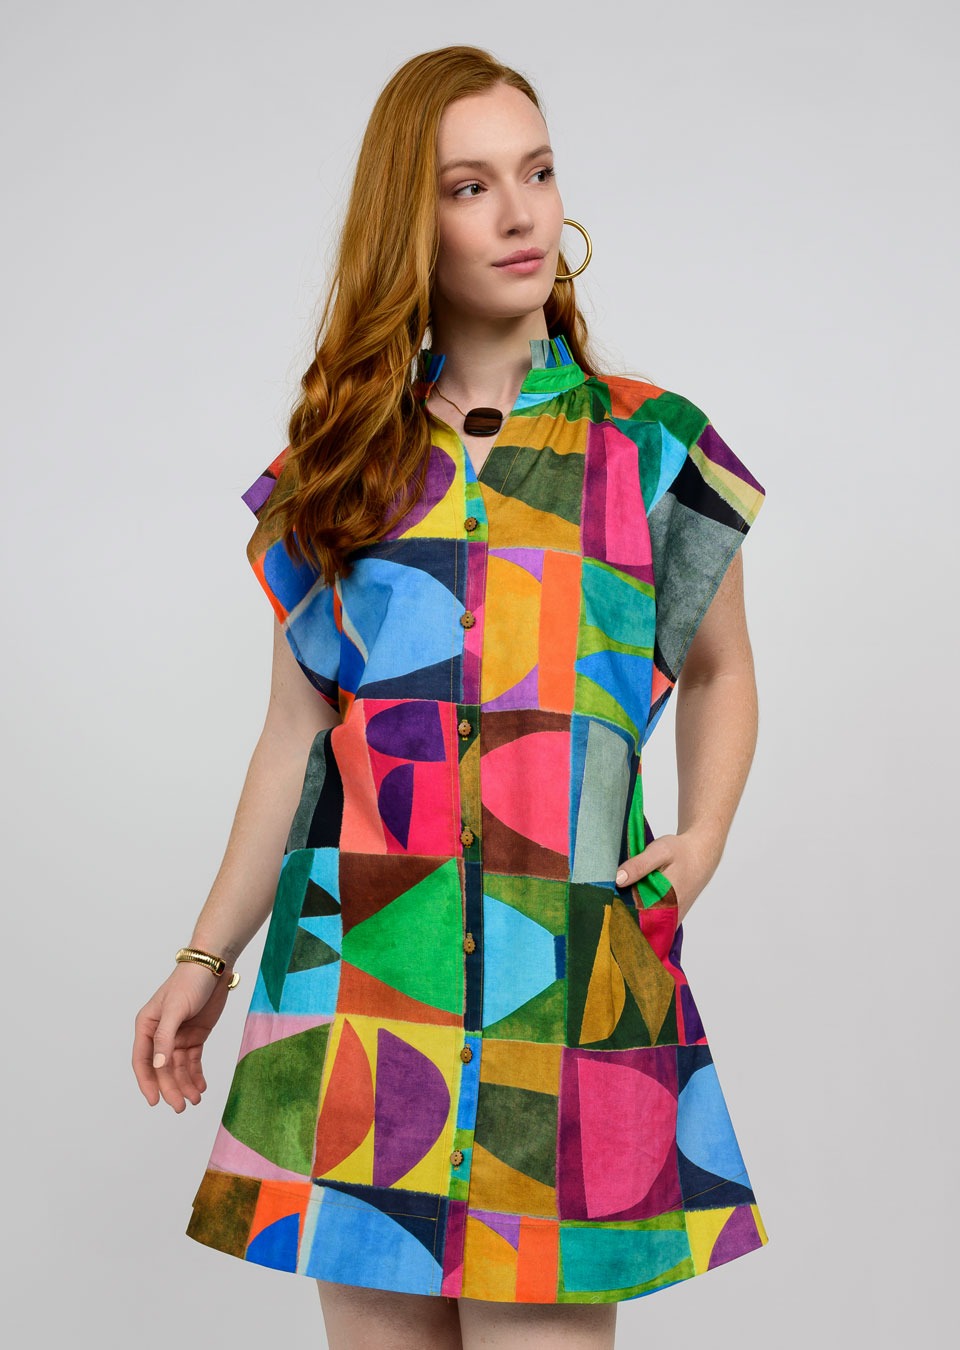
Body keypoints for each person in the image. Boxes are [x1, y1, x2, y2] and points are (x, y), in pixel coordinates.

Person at [133, 44, 769, 1350]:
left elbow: (719, 667)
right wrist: (206, 955)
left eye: (537, 172)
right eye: (471, 186)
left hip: (565, 990)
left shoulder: (650, 448)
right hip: (366, 992)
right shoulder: (339, 468)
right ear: (409, 223)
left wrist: (702, 836)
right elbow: (296, 737)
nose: (521, 212)